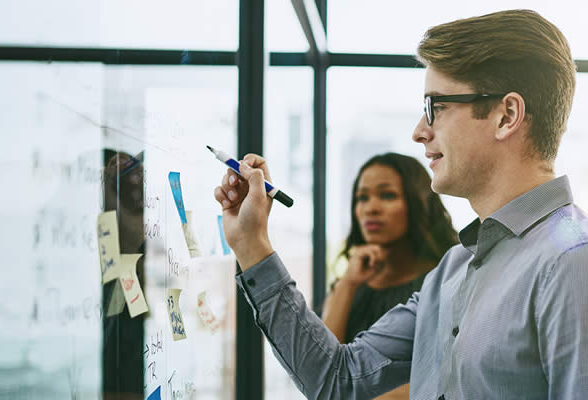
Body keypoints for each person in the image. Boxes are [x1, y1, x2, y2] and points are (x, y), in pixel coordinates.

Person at [214, 9, 588, 400]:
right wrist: (251, 245)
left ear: (506, 116)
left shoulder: (572, 262)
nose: (419, 132)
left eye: (436, 107)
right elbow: (336, 379)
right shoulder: (453, 270)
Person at [321, 153, 458, 399]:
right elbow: (321, 370)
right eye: (362, 198)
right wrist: (348, 284)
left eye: (387, 195)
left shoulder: (445, 278)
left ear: (418, 203)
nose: (371, 208)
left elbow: (449, 376)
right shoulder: (349, 283)